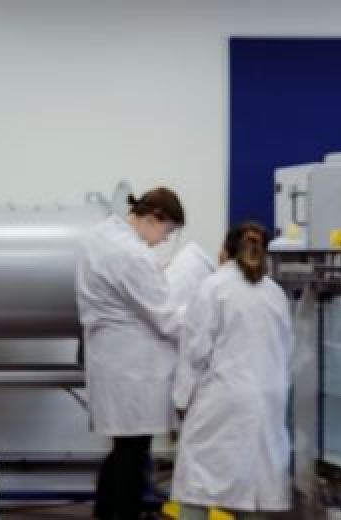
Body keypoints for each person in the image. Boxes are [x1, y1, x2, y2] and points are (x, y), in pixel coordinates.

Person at [75, 187, 187, 519]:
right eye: (166, 232)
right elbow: (165, 318)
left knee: (123, 451)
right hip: (132, 369)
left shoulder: (98, 236)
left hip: (113, 360)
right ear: (154, 218)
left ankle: (107, 514)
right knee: (132, 454)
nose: (163, 241)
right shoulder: (132, 255)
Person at [172, 223, 293, 520]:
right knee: (256, 489)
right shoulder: (276, 294)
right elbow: (286, 351)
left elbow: (195, 352)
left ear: (224, 251)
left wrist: (181, 400)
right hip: (268, 400)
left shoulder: (213, 287)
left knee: (197, 484)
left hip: (222, 399)